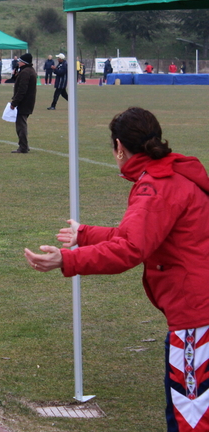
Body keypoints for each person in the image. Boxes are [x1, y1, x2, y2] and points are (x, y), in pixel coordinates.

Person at [23, 107, 209, 432]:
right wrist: (86, 234)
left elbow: (130, 249)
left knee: (190, 419)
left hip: (196, 317)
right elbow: (140, 235)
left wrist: (66, 261)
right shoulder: (173, 175)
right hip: (196, 310)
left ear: (120, 147)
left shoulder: (156, 187)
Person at [9, 53, 36, 154]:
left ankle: (23, 146)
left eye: (19, 61)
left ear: (23, 62)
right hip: (28, 101)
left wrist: (14, 103)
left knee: (21, 125)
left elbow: (22, 90)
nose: (18, 63)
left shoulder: (25, 72)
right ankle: (24, 145)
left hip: (24, 102)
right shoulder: (29, 71)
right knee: (21, 124)